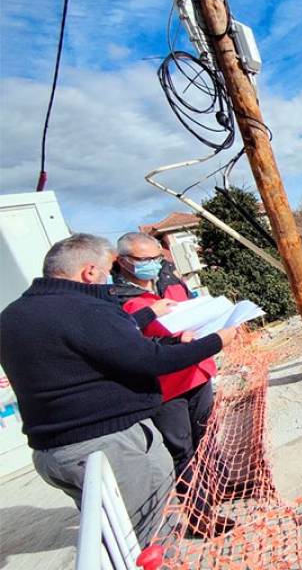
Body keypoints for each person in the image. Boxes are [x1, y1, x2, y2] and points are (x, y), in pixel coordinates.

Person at [0, 233, 236, 546]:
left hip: (55, 453)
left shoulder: (14, 316)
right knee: (153, 539)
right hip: (108, 446)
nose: (109, 277)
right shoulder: (84, 309)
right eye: (107, 269)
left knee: (116, 536)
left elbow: (98, 340)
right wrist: (217, 340)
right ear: (89, 272)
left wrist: (149, 314)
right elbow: (149, 359)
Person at [112, 233, 217, 491]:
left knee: (209, 437)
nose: (154, 264)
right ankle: (199, 511)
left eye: (157, 257)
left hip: (197, 371)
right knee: (182, 450)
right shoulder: (115, 299)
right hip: (165, 388)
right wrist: (173, 343)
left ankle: (220, 485)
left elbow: (194, 307)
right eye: (145, 259)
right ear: (123, 261)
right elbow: (127, 347)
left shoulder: (169, 278)